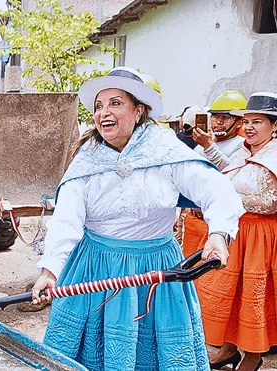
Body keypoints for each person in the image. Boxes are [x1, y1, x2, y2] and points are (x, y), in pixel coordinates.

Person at [30, 67, 245, 371]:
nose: (104, 112)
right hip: (95, 267)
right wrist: (50, 270)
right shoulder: (87, 158)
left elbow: (219, 192)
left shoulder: (166, 150)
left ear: (138, 110)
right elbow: (67, 218)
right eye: (99, 106)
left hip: (156, 268)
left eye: (115, 103)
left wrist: (219, 234)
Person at [195, 92, 277, 371]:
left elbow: (269, 202)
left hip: (261, 237)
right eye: (247, 121)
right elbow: (231, 174)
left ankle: (253, 356)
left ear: (274, 125)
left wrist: (227, 201)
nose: (250, 127)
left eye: (258, 121)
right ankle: (228, 349)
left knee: (254, 295)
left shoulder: (274, 155)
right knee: (230, 292)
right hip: (237, 233)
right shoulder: (244, 150)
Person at [182, 91, 247, 258]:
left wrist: (209, 146)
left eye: (225, 118)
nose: (218, 121)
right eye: (215, 116)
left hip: (215, 226)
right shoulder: (201, 144)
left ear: (239, 121)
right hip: (194, 220)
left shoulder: (241, 146)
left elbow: (232, 173)